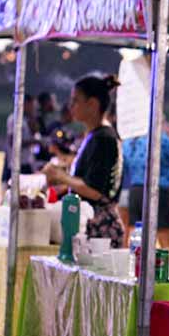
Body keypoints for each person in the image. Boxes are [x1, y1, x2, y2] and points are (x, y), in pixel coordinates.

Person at [42, 75, 124, 248]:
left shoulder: (104, 138)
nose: (70, 106)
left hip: (99, 228)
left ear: (92, 104)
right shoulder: (96, 135)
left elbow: (94, 190)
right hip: (88, 220)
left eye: (75, 101)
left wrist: (60, 176)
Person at [123, 123, 169, 261]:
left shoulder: (128, 142)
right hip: (159, 190)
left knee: (139, 239)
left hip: (136, 191)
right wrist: (165, 133)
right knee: (168, 241)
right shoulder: (158, 138)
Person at [4, 94, 40, 179]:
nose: (32, 108)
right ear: (25, 104)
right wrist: (34, 142)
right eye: (31, 105)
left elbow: (35, 131)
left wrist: (32, 117)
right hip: (16, 163)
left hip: (27, 161)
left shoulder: (27, 119)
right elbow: (13, 142)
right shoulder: (13, 119)